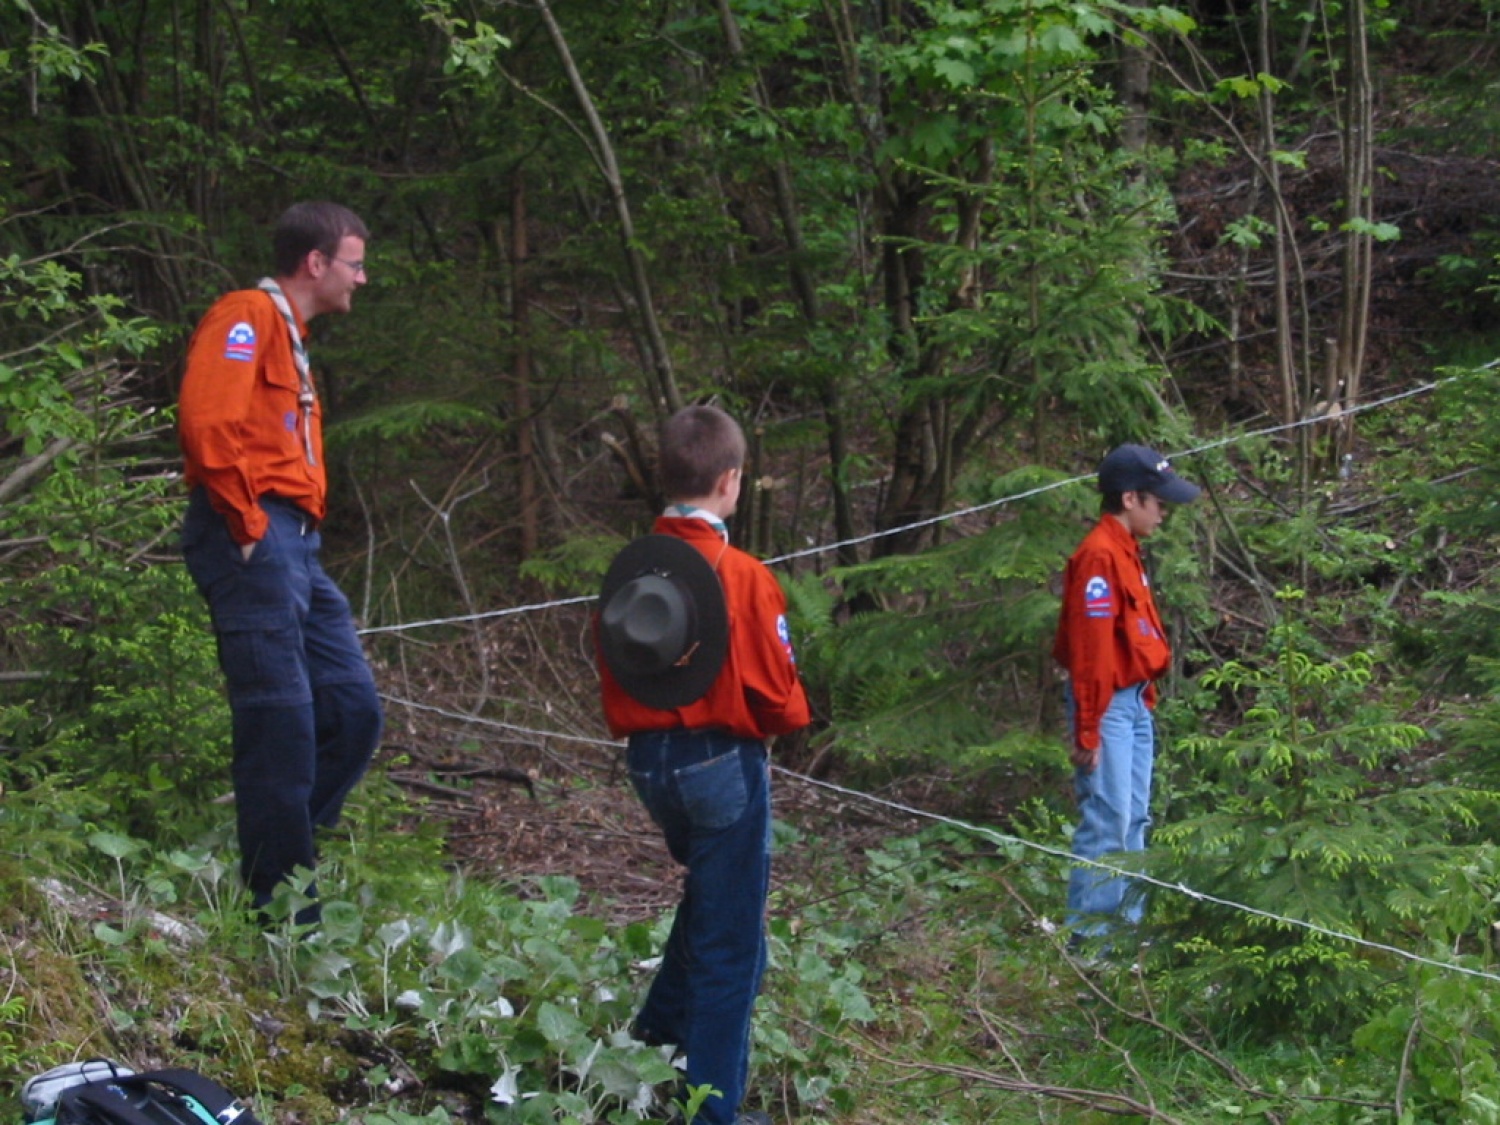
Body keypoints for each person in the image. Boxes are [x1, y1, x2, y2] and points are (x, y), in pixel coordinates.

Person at [597, 405, 811, 1125]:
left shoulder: (632, 568)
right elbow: (779, 698)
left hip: (650, 765)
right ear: (731, 480)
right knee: (732, 941)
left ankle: (654, 1031)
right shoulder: (743, 576)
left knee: (710, 897)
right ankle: (713, 1111)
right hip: (721, 763)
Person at [177, 202, 382, 926]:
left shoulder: (291, 338)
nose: (362, 276)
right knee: (280, 723)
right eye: (355, 262)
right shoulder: (247, 316)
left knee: (352, 710)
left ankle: (277, 840)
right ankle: (284, 916)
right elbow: (207, 423)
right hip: (255, 532)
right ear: (317, 262)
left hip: (297, 544)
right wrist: (245, 523)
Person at [1052, 443, 1200, 949]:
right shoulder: (1099, 555)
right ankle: (1092, 947)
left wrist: (1145, 697)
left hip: (1133, 703)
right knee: (1108, 822)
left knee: (1133, 821)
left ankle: (1127, 941)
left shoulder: (1127, 551)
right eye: (1158, 502)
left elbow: (1131, 640)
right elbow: (1090, 653)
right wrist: (1089, 728)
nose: (1164, 512)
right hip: (1108, 706)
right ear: (1130, 497)